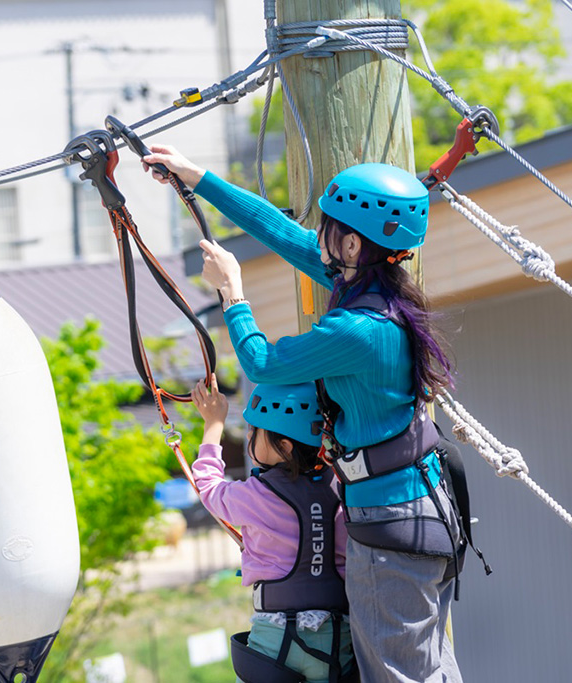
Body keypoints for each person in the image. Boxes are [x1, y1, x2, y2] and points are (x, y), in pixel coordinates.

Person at [145, 147, 465, 682]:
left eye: (328, 228)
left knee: (398, 675)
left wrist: (233, 294)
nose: (317, 237)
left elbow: (263, 363)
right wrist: (195, 177)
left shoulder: (358, 330)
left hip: (392, 529)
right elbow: (278, 231)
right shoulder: (378, 294)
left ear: (353, 243)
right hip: (418, 516)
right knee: (427, 668)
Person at [191, 375, 354, 683]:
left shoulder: (258, 494)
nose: (251, 437)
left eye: (256, 431)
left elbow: (210, 489)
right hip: (338, 637)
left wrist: (213, 425)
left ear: (285, 446)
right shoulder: (341, 487)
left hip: (275, 638)